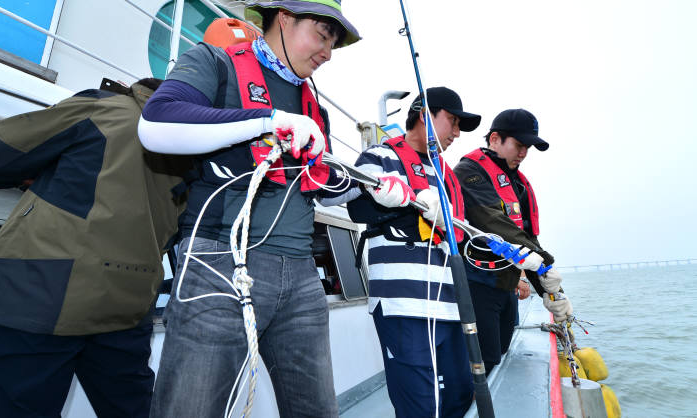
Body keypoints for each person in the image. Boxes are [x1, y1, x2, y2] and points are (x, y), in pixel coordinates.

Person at [137, 1, 361, 416]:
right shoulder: (214, 62)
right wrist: (266, 120)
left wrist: (375, 188)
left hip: (302, 278)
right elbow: (156, 125)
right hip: (218, 262)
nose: (328, 52)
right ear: (285, 17)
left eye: (334, 42)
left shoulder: (316, 110)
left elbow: (324, 188)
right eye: (323, 34)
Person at [0, 78, 190, 417]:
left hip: (41, 292)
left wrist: (39, 172)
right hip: (128, 303)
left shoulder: (105, 109)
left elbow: (5, 149)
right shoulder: (195, 155)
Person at [347, 87, 481, 417]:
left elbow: (462, 235)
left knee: (462, 392)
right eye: (452, 121)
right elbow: (355, 209)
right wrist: (395, 200)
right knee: (419, 404)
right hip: (402, 302)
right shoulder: (379, 157)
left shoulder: (448, 175)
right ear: (424, 115)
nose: (457, 132)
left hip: (449, 306)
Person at [453, 108, 573, 374]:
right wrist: (545, 263)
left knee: (503, 351)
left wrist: (549, 292)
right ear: (495, 139)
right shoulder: (469, 172)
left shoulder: (516, 183)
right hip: (478, 284)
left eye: (527, 147)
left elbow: (528, 238)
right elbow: (494, 224)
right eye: (519, 145)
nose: (523, 153)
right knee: (483, 362)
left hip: (505, 285)